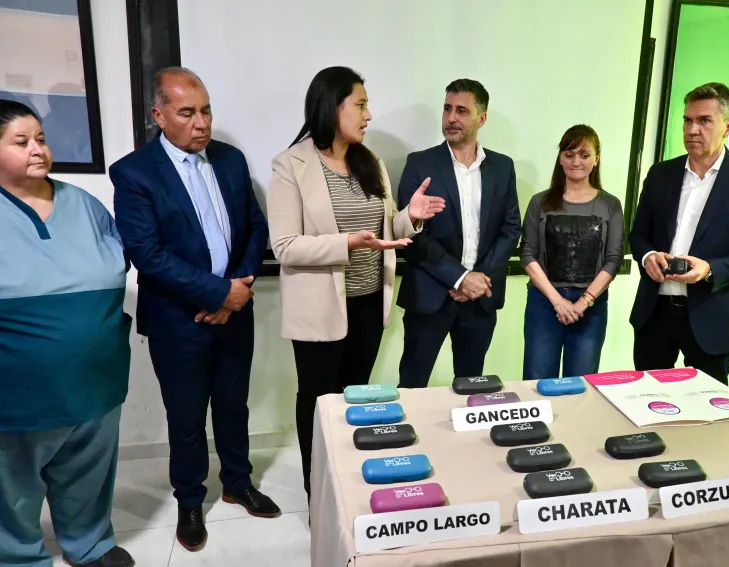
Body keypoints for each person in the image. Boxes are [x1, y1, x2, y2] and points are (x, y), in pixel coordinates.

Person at [109, 67, 276, 552]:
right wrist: (216, 293)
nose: (201, 123)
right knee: (186, 418)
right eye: (187, 113)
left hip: (235, 310)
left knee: (233, 405)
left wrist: (236, 289)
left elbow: (255, 227)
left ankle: (238, 482)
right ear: (159, 116)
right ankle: (189, 500)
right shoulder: (134, 173)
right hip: (178, 320)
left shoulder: (230, 160)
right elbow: (148, 254)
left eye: (206, 111)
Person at [267, 66, 445, 499]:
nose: (368, 115)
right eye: (360, 105)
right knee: (318, 401)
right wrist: (347, 242)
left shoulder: (370, 161)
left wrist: (410, 217)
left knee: (353, 400)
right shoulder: (291, 165)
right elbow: (285, 246)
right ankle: (318, 492)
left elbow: (383, 230)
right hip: (320, 310)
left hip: (367, 304)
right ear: (332, 106)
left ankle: (347, 485)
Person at [0, 101, 133, 567]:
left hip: (97, 380)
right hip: (18, 389)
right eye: (21, 142)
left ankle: (90, 544)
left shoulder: (84, 204)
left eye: (41, 138)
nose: (38, 149)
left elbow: (118, 261)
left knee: (88, 469)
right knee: (12, 480)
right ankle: (17, 557)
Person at [629, 82, 729, 385]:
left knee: (705, 405)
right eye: (688, 120)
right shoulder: (660, 174)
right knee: (647, 398)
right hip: (655, 313)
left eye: (704, 121)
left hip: (714, 318)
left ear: (728, 127)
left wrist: (709, 269)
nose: (692, 129)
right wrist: (647, 256)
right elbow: (638, 235)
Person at [396, 79, 521, 388]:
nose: (451, 118)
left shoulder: (502, 167)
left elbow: (510, 228)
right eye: (447, 109)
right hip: (430, 295)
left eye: (461, 111)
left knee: (471, 387)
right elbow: (412, 236)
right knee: (412, 385)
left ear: (482, 118)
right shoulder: (420, 164)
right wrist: (461, 278)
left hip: (480, 298)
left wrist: (478, 280)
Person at [520, 125, 624, 379]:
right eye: (569, 154)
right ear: (560, 158)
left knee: (582, 385)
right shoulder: (540, 202)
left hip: (591, 307)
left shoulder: (610, 204)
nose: (576, 162)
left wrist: (583, 302)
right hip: (544, 303)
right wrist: (558, 301)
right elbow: (528, 253)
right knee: (537, 381)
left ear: (596, 159)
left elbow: (613, 260)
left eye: (584, 155)